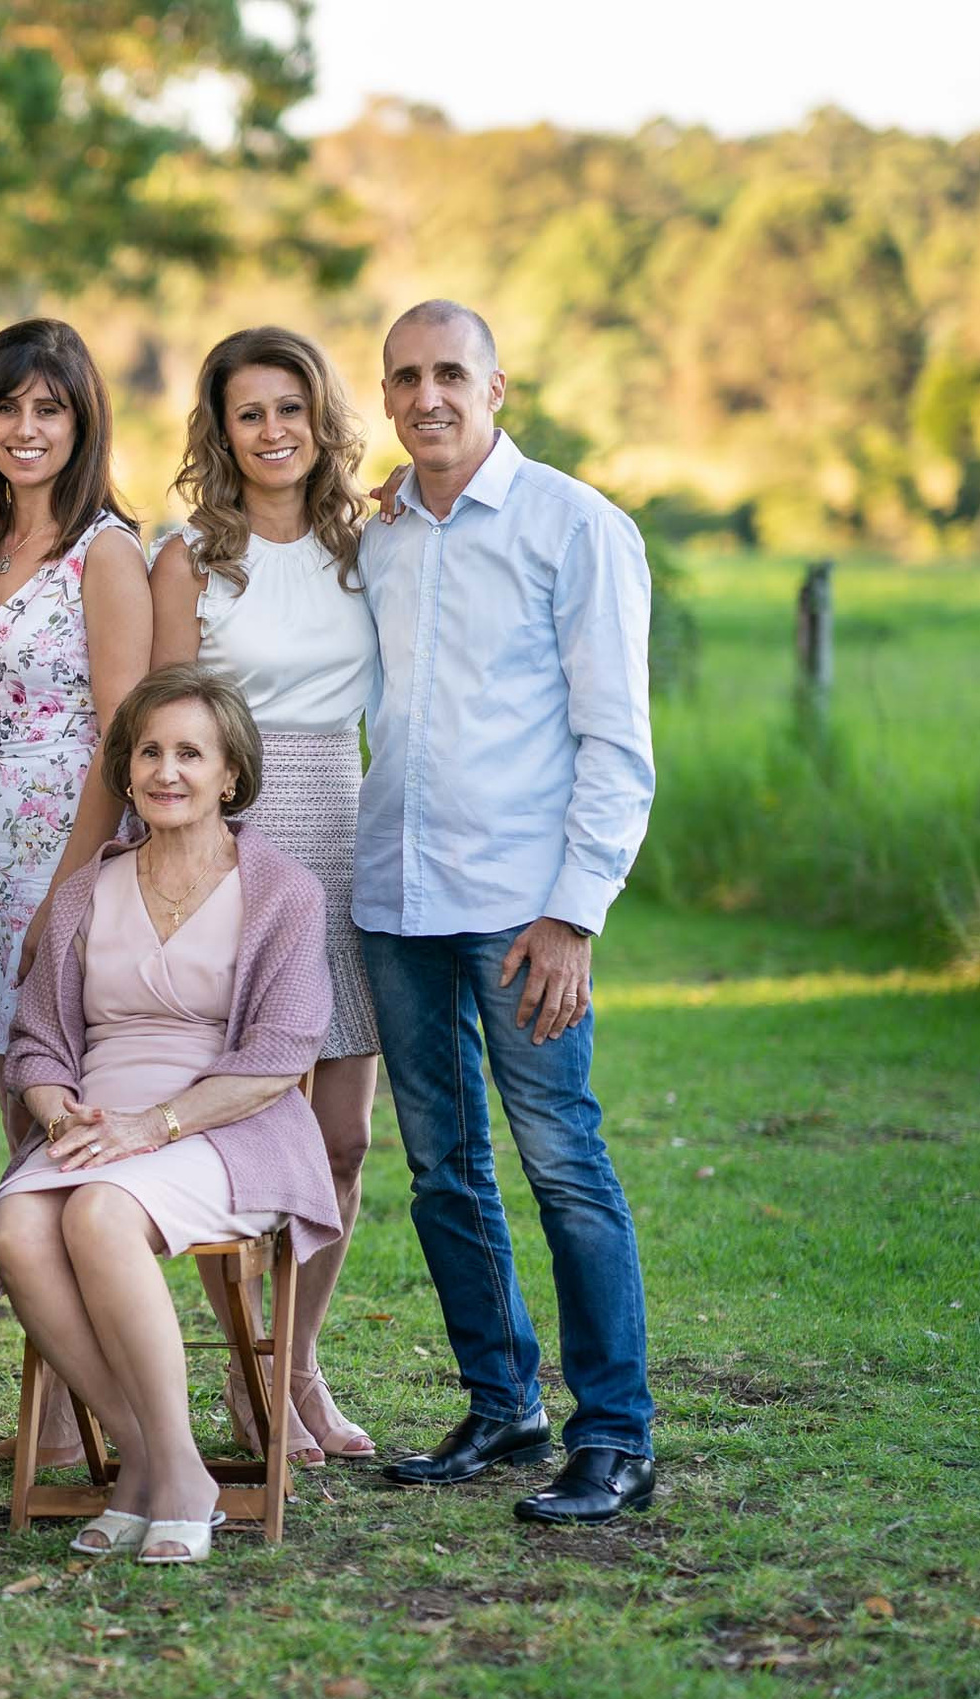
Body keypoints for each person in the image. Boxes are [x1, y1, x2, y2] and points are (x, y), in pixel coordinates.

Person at [357, 301, 657, 1525]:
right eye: (403, 377)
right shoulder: (376, 534)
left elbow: (617, 739)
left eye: (448, 374)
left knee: (562, 1162)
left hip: (520, 911)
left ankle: (618, 1433)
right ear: (385, 397)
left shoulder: (573, 526)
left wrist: (573, 914)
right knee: (441, 1169)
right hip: (395, 896)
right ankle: (500, 1401)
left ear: (497, 388)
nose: (426, 395)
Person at [0, 665, 343, 1563]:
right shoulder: (84, 892)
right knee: (17, 1224)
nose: (167, 771)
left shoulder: (282, 892)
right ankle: (154, 1457)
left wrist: (153, 1129)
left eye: (191, 753)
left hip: (227, 1124)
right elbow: (35, 1040)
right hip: (98, 1117)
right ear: (126, 767)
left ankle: (174, 1473)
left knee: (100, 1213)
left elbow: (280, 1057)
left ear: (231, 775)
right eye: (150, 751)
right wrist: (53, 1104)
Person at [0, 317, 151, 1465]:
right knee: (17, 1119)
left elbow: (122, 736)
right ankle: (60, 1400)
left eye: (48, 408)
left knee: (61, 1121)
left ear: (80, 420)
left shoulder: (103, 553)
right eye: (7, 406)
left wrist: (65, 901)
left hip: (72, 858)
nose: (25, 428)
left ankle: (85, 1413)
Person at [146, 327, 381, 1468]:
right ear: (220, 429)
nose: (273, 429)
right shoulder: (189, 554)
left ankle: (296, 1362)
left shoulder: (368, 541)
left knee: (340, 1133)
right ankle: (246, 1376)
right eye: (249, 412)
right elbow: (165, 716)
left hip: (347, 827)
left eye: (291, 407)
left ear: (318, 417)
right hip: (235, 835)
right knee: (245, 1118)